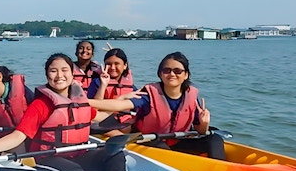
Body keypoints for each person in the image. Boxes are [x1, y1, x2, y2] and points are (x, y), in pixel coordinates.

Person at [0, 53, 128, 171]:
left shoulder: (79, 101)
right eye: (53, 71)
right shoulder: (40, 105)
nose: (59, 75)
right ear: (47, 75)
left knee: (115, 152)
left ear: (72, 73)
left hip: (79, 154)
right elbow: (18, 135)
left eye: (64, 70)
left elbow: (98, 116)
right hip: (48, 157)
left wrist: (127, 103)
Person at [93, 51, 226, 160]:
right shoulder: (149, 94)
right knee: (158, 143)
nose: (172, 74)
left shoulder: (191, 96)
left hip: (177, 141)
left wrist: (204, 123)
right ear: (160, 74)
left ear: (185, 75)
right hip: (150, 141)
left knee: (214, 139)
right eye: (167, 70)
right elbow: (119, 105)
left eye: (177, 71)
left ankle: (220, 169)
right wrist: (87, 102)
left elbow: (201, 132)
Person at [88, 47, 137, 136]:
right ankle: (122, 139)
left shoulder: (130, 85)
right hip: (103, 122)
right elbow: (93, 110)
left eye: (117, 64)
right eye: (109, 64)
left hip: (125, 122)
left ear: (125, 65)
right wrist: (103, 85)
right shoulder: (96, 82)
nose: (113, 68)